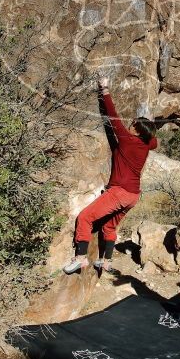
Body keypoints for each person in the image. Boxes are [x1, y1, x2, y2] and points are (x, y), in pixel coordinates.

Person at [63, 76, 157, 275]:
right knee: (109, 227)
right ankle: (105, 262)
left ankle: (80, 258)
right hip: (133, 196)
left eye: (133, 125)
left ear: (137, 131)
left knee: (86, 217)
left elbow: (113, 117)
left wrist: (104, 89)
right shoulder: (147, 143)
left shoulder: (127, 140)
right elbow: (154, 141)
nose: (129, 125)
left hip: (120, 192)